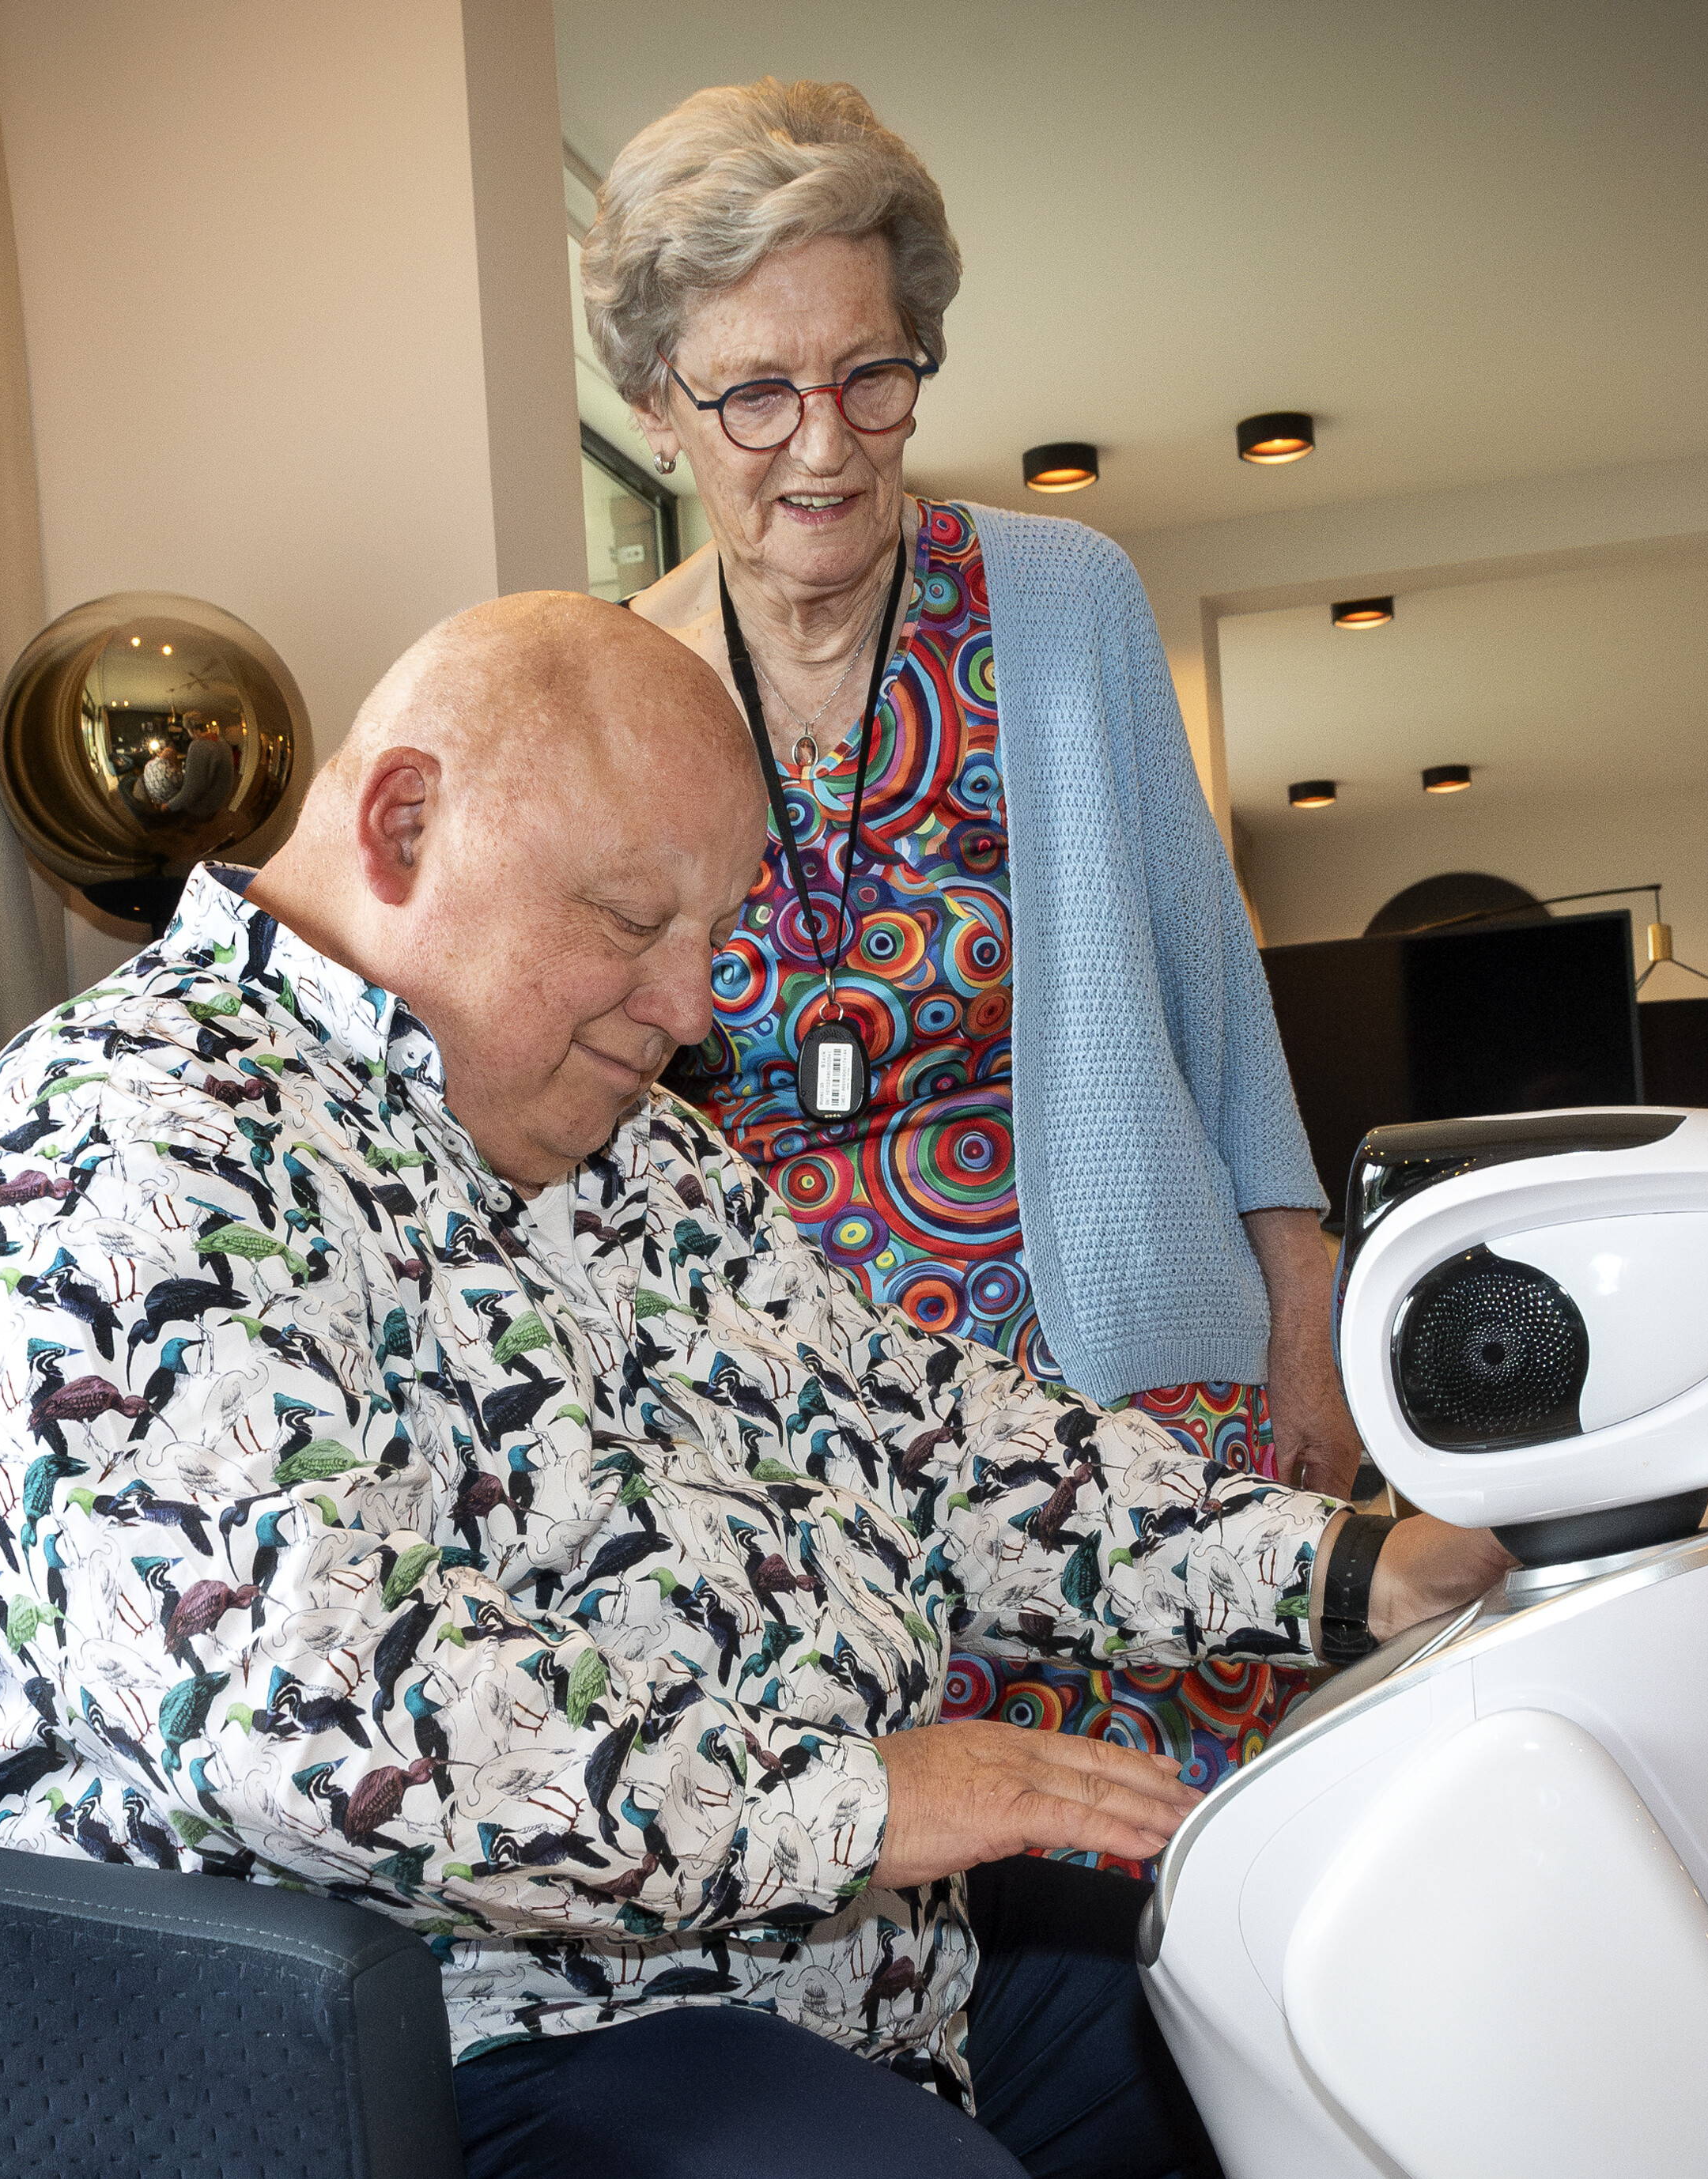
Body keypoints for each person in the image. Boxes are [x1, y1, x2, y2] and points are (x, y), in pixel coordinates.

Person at [0, 592, 1507, 2179]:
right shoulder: (108, 1158)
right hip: (441, 2042)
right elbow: (305, 1710)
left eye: (716, 934)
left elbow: (916, 1442)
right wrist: (855, 1803)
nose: (695, 1008)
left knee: (1342, 2003)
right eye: (635, 923)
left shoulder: (638, 1151)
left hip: (829, 1964)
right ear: (404, 823)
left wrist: (1351, 1569)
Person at [585, 82, 1355, 1820]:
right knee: (891, 1891)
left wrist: (1302, 1310)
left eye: (871, 374)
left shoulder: (1063, 600)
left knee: (1181, 1870)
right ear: (653, 409)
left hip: (1115, 1395)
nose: (825, 445)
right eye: (756, 393)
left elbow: (1210, 984)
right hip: (775, 1447)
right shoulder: (614, 686)